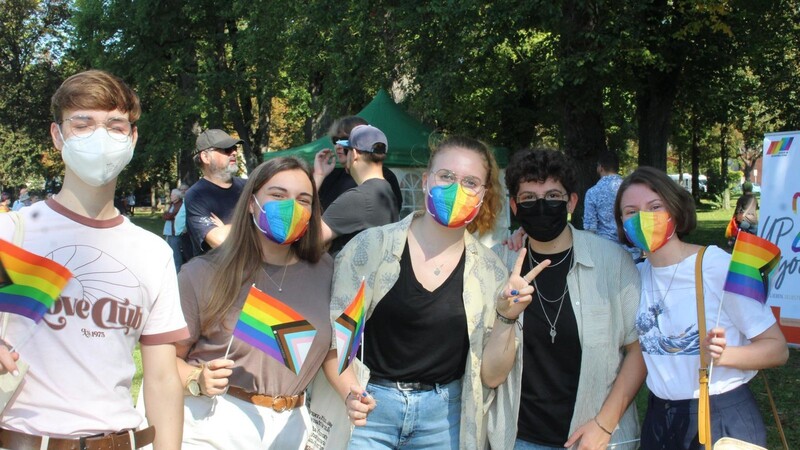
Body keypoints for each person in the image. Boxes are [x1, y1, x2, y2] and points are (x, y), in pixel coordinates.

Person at [0, 69, 188, 450]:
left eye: (116, 125)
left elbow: (162, 379)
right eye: (82, 124)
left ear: (132, 139)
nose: (100, 137)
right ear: (58, 136)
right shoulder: (10, 234)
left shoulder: (153, 253)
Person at [327, 136, 528, 449]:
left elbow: (492, 377)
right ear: (425, 181)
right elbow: (335, 341)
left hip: (444, 421)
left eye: (470, 182)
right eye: (446, 176)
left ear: (483, 194)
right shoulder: (370, 247)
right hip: (369, 411)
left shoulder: (492, 273)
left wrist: (506, 315)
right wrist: (350, 391)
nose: (456, 189)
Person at [176, 156, 346, 449]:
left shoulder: (327, 271)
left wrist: (352, 392)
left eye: (303, 200)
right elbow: (165, 360)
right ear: (252, 202)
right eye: (278, 195)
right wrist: (197, 378)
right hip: (215, 425)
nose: (291, 207)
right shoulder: (201, 273)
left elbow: (332, 348)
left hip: (292, 429)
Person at [614, 166, 788, 449]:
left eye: (655, 206)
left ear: (674, 210)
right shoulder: (636, 275)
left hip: (720, 416)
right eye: (631, 211)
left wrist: (726, 355)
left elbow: (777, 349)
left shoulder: (718, 266)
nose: (643, 217)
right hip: (659, 419)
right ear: (621, 222)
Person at [491, 148, 645, 450]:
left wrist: (604, 424)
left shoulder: (612, 262)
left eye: (553, 196)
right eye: (528, 199)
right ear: (514, 206)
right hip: (519, 439)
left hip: (596, 437)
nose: (541, 206)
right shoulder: (497, 264)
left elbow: (638, 347)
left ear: (571, 201)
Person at [319, 124, 399, 255]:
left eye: (347, 149)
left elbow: (309, 241)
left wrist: (318, 176)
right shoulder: (385, 189)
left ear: (354, 153)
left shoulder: (358, 198)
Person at [314, 116, 403, 212]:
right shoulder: (331, 176)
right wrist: (319, 175)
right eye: (335, 140)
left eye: (344, 140)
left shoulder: (384, 176)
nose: (338, 146)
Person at [184, 128, 245, 256]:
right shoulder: (196, 195)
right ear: (205, 157)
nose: (234, 152)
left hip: (253, 269)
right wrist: (250, 224)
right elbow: (220, 241)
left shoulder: (248, 186)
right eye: (227, 149)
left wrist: (227, 229)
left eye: (235, 148)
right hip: (217, 273)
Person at [163, 188, 184, 272]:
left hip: (174, 232)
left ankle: (178, 271)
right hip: (169, 232)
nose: (171, 196)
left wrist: (169, 216)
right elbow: (165, 215)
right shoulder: (173, 204)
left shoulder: (179, 205)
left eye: (172, 194)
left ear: (177, 196)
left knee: (176, 252)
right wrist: (168, 215)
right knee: (170, 251)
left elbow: (170, 216)